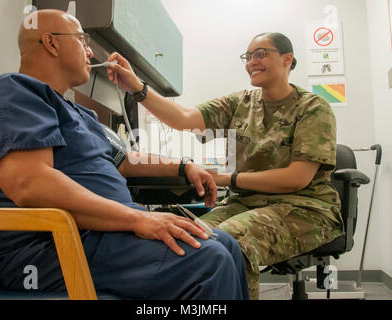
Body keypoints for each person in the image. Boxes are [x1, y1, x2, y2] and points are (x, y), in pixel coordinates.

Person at [0, 10, 250, 300]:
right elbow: (30, 184)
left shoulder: (81, 113)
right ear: (52, 44)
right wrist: (135, 219)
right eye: (82, 39)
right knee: (208, 262)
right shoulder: (14, 92)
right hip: (50, 249)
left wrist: (184, 166)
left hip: (101, 236)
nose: (90, 50)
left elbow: (126, 161)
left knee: (226, 245)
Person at [107, 32, 344, 299]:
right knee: (192, 238)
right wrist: (138, 88)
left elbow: (296, 179)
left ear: (287, 59)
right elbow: (183, 118)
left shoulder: (313, 108)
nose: (251, 61)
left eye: (261, 54)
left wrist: (226, 179)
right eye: (248, 56)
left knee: (230, 243)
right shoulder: (239, 103)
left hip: (305, 208)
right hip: (245, 204)